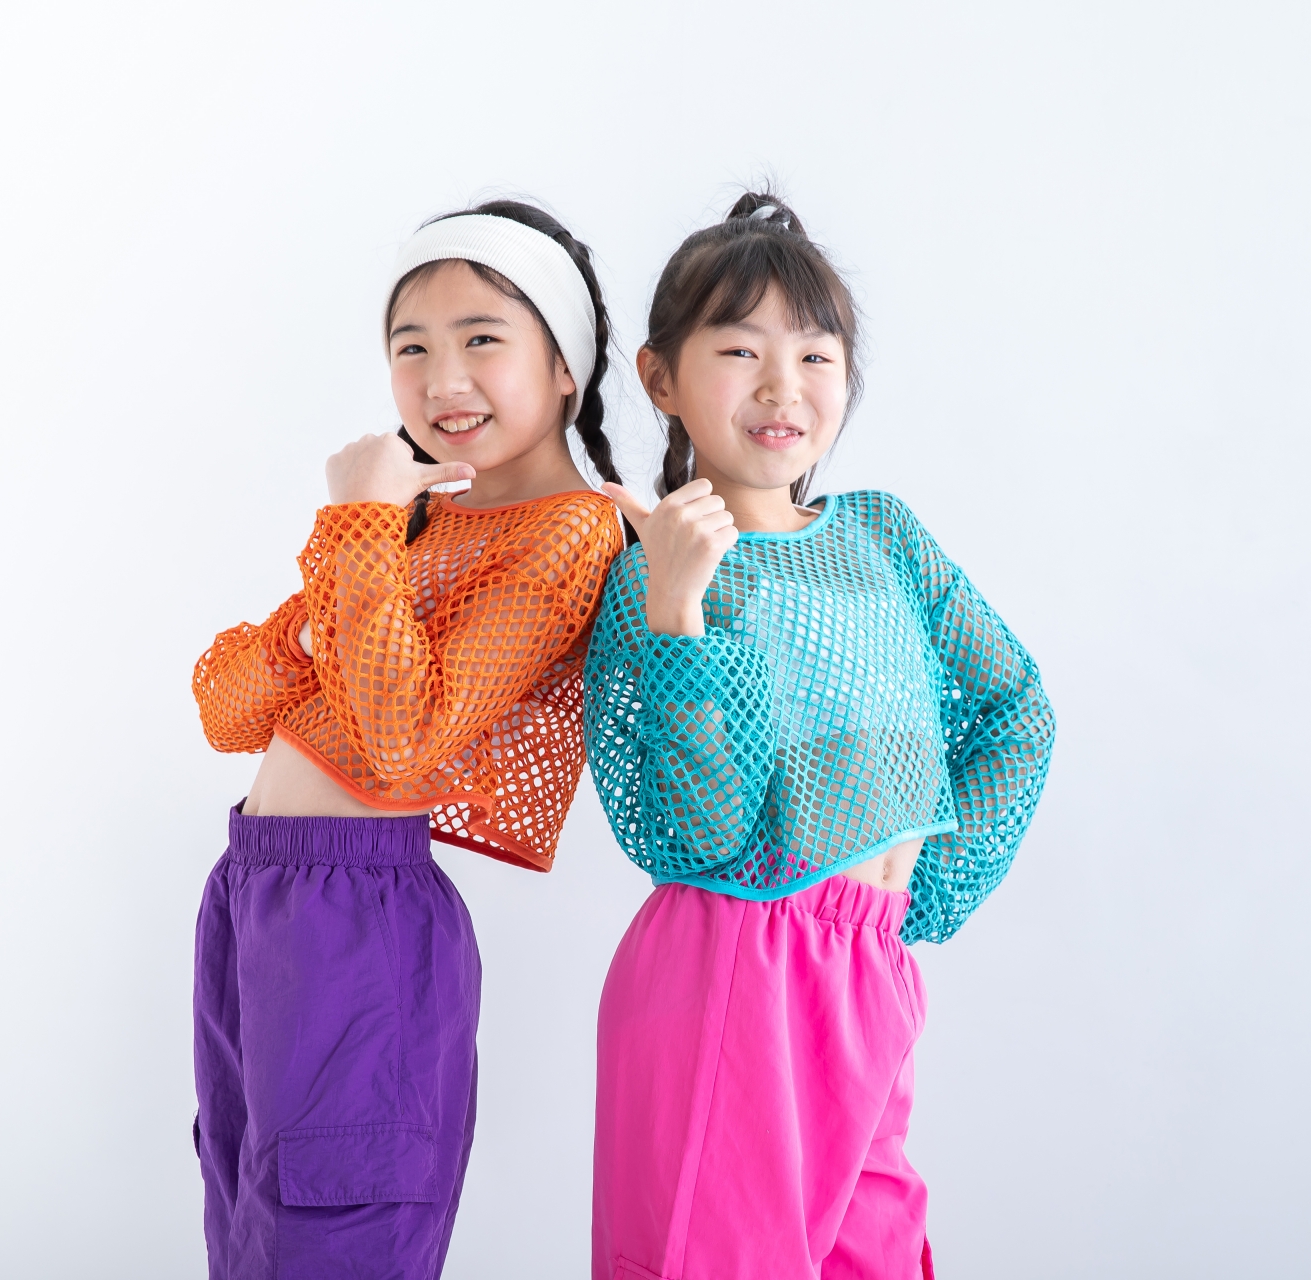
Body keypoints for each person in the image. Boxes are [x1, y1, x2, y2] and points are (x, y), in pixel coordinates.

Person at [585, 192, 1056, 1280]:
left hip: (869, 969)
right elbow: (700, 835)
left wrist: (921, 889)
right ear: (660, 377)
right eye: (738, 350)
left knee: (874, 1253)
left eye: (813, 354)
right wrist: (678, 608)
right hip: (733, 970)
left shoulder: (882, 535)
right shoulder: (651, 573)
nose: (780, 386)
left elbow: (1016, 707)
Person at [190, 200, 626, 1279]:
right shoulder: (412, 521)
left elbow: (404, 738)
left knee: (332, 1232)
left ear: (564, 366)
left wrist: (359, 528)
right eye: (412, 347)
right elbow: (228, 710)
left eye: (482, 338)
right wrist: (354, 554)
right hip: (255, 890)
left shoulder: (568, 527)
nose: (443, 380)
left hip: (359, 919)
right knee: (248, 1226)